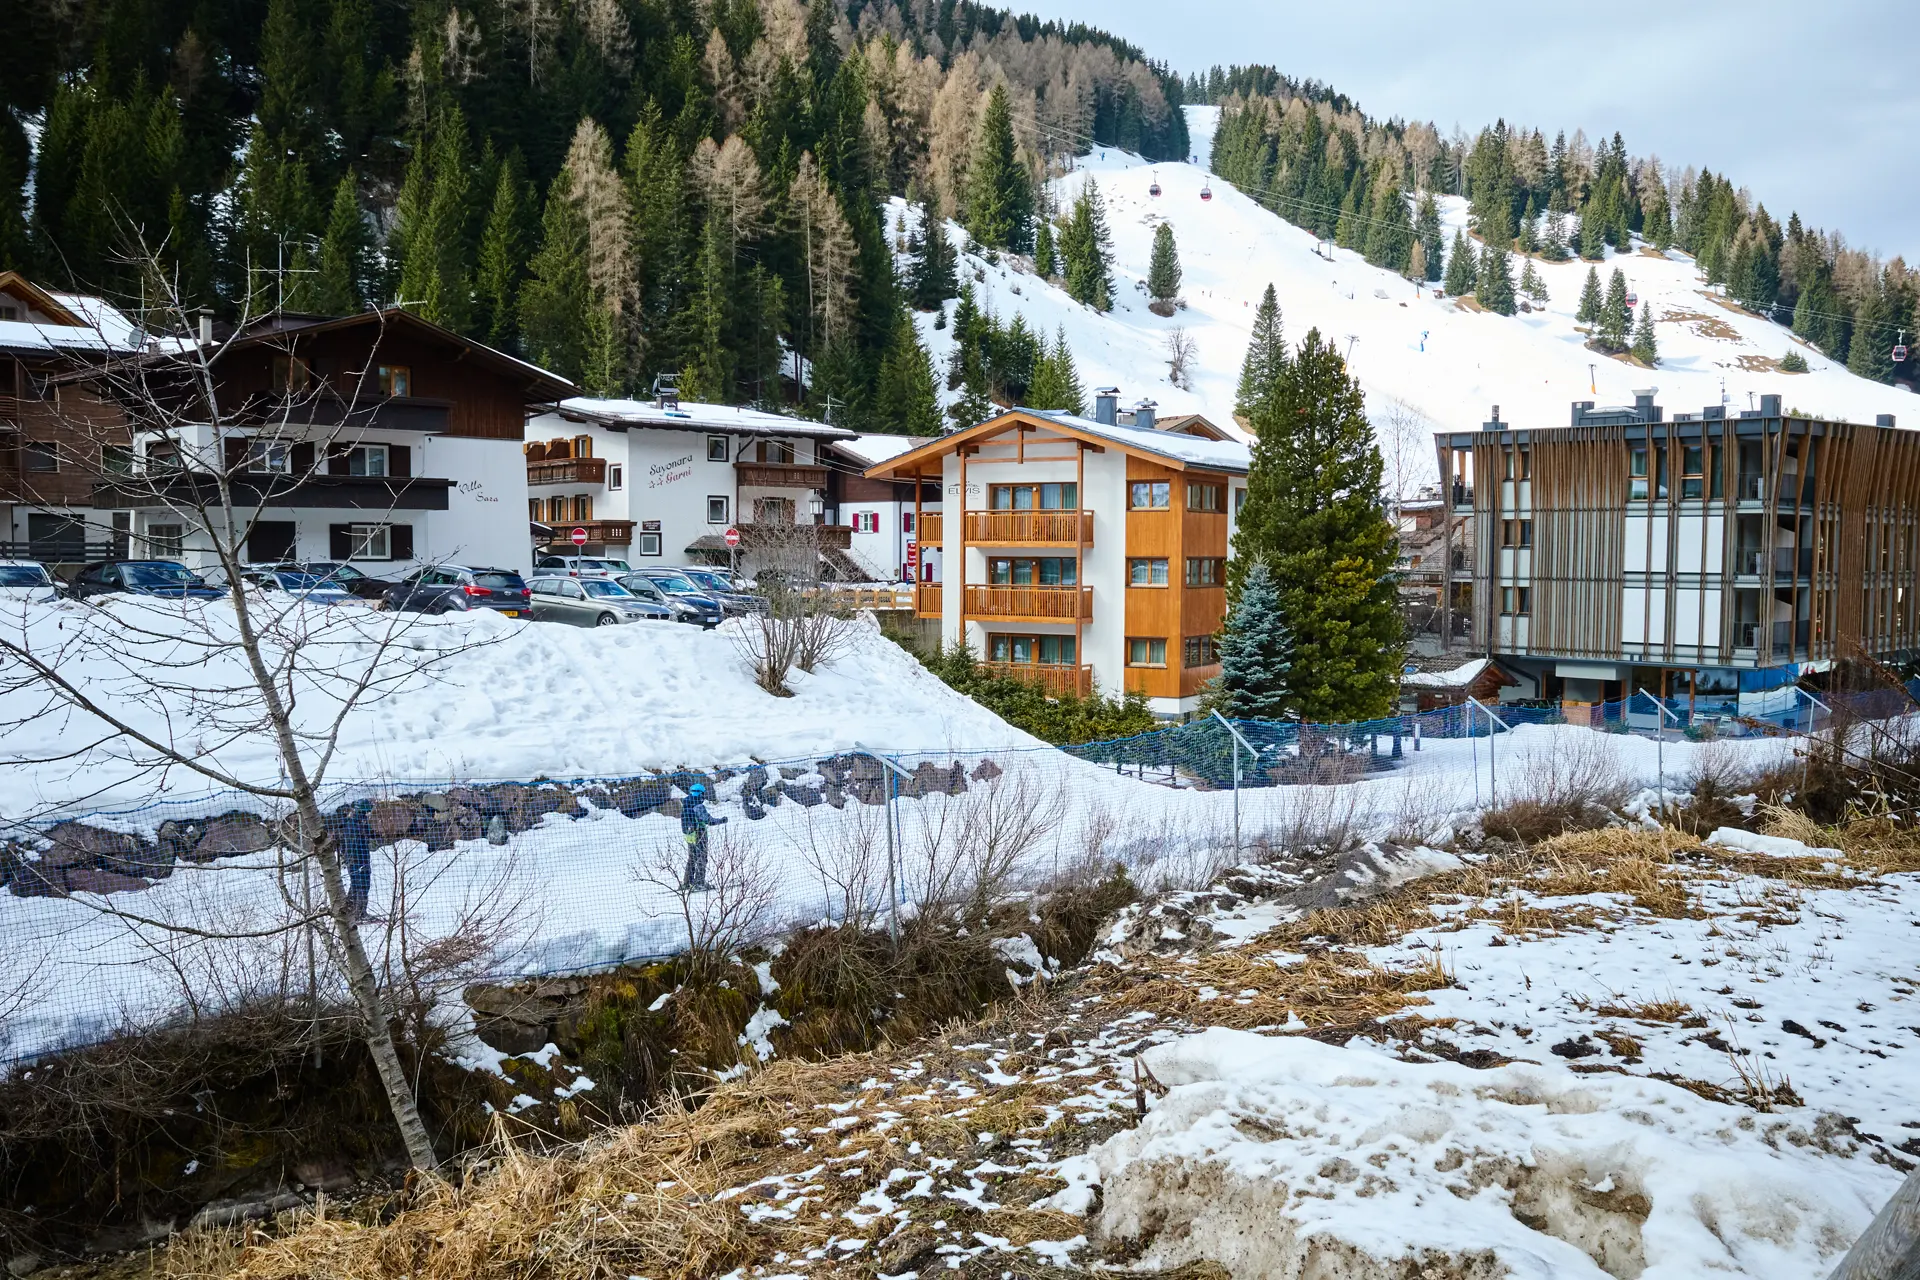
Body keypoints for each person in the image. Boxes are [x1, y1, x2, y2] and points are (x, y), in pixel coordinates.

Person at [323, 800, 374, 922]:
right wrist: (354, 860)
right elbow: (352, 845)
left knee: (358, 885)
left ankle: (353, 911)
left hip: (360, 859)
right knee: (360, 885)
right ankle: (358, 913)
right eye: (367, 812)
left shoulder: (358, 823)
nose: (368, 815)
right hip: (357, 860)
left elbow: (369, 834)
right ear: (362, 812)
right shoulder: (354, 826)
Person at [679, 781, 726, 892]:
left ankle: (687, 882)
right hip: (699, 834)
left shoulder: (685, 804)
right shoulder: (698, 806)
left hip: (689, 835)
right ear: (701, 794)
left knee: (692, 858)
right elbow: (708, 820)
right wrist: (721, 820)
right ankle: (699, 883)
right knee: (702, 858)